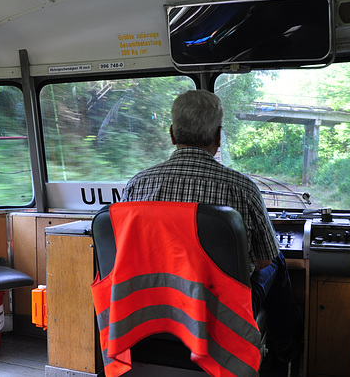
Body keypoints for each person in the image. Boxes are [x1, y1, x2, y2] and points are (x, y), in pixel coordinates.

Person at [120, 89, 303, 362]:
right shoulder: (243, 188)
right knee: (277, 261)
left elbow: (126, 251)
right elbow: (264, 260)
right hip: (222, 311)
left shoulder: (137, 184)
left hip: (153, 304)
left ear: (172, 134)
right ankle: (285, 349)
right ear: (218, 136)